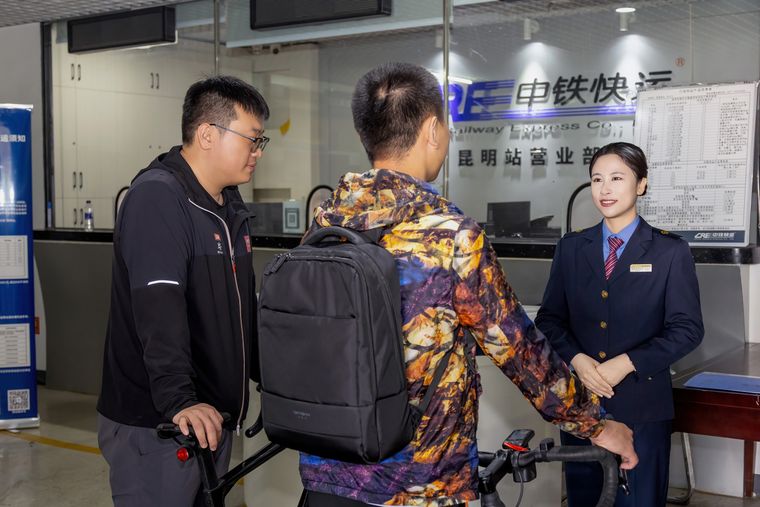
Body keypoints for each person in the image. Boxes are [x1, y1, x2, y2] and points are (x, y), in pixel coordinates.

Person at [299, 62, 637, 507]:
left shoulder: (325, 224)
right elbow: (519, 351)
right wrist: (596, 424)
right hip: (418, 483)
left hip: (327, 471)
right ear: (432, 130)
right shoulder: (450, 236)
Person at [96, 75, 270, 506]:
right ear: (208, 134)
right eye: (252, 139)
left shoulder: (228, 208)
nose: (258, 152)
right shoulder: (157, 198)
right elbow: (158, 309)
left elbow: (241, 313)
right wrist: (179, 402)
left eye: (261, 141)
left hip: (211, 421)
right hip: (161, 425)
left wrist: (277, 377)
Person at [535, 142, 704, 507]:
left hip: (643, 408)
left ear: (641, 184)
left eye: (616, 178)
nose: (605, 189)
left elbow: (687, 329)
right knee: (585, 499)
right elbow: (549, 319)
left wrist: (626, 363)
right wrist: (578, 360)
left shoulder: (669, 251)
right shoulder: (571, 248)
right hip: (582, 407)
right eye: (597, 179)